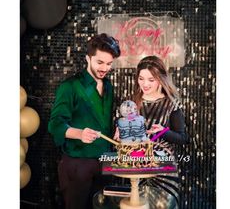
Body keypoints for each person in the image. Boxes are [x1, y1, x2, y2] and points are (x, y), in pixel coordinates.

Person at [48, 33, 121, 209]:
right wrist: (80, 133)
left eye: (109, 63)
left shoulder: (109, 86)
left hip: (105, 160)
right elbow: (55, 124)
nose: (105, 68)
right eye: (100, 62)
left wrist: (117, 127)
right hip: (77, 163)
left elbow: (106, 118)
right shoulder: (70, 86)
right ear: (88, 58)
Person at [114, 55, 188, 208]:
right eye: (141, 78)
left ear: (161, 79)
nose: (145, 84)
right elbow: (125, 137)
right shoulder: (132, 102)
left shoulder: (171, 104)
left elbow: (182, 138)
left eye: (151, 80)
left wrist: (164, 131)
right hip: (137, 171)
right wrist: (119, 133)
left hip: (164, 172)